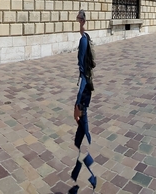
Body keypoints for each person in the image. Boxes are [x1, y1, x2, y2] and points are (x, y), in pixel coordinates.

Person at [71, 10, 97, 190]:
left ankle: (92, 175)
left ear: (81, 20)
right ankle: (77, 172)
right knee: (79, 139)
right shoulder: (87, 36)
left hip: (84, 92)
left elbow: (82, 72)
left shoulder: (83, 41)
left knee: (84, 136)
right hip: (87, 88)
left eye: (78, 19)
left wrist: (76, 105)